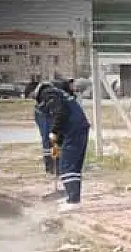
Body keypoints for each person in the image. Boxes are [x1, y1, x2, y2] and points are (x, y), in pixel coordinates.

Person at [33, 80, 90, 212]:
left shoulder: (49, 94)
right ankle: (73, 198)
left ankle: (73, 201)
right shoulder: (60, 94)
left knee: (67, 165)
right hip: (78, 129)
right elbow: (64, 115)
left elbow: (60, 113)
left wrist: (54, 131)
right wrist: (58, 142)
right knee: (73, 166)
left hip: (73, 131)